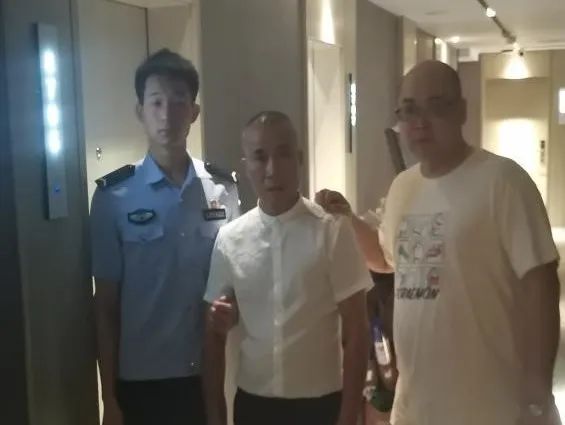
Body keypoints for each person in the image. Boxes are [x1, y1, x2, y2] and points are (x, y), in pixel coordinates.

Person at [316, 60, 562, 425]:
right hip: (416, 407)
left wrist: (537, 392)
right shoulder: (403, 187)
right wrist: (347, 218)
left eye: (437, 106)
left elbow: (540, 286)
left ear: (461, 111)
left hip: (493, 408)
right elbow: (387, 259)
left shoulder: (502, 181)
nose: (420, 122)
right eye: (409, 110)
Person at [90, 49, 240, 425]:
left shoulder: (223, 190)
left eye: (178, 101)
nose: (167, 114)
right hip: (140, 382)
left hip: (205, 375)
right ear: (140, 111)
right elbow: (105, 306)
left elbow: (236, 285)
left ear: (194, 112)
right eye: (156, 102)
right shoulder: (113, 197)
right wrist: (109, 398)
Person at [202, 111, 372, 425]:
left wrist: (349, 416)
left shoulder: (332, 231)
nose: (272, 170)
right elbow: (213, 334)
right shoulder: (230, 240)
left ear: (299, 159)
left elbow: (357, 331)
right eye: (260, 157)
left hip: (321, 406)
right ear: (246, 166)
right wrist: (217, 416)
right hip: (254, 406)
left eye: (283, 154)